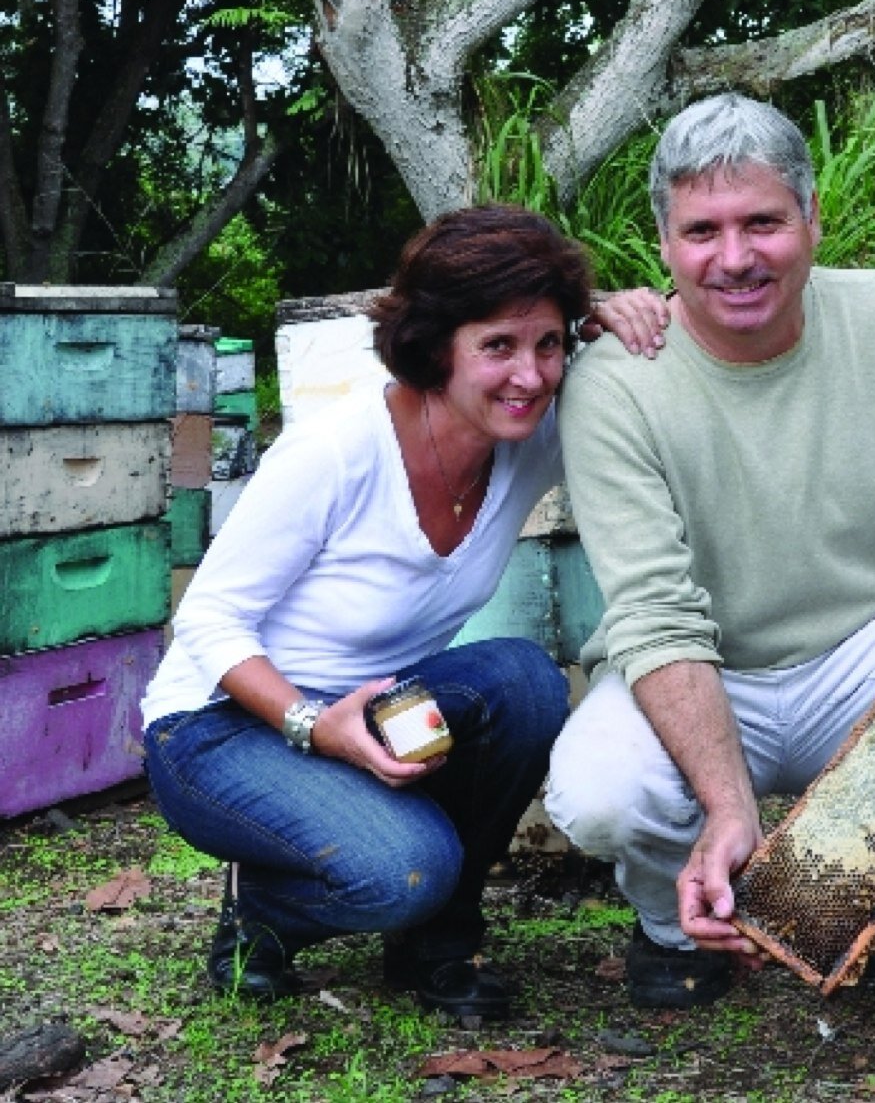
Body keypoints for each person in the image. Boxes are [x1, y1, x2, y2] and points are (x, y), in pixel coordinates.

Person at [544, 93, 875, 1039]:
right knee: (598, 793)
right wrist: (730, 804)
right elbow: (656, 614)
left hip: (853, 659)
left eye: (763, 223)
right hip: (699, 680)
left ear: (812, 219)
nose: (735, 257)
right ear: (663, 242)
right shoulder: (614, 381)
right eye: (703, 230)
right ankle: (680, 924)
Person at [141, 204, 668, 1018]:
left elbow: (658, 388)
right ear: (435, 348)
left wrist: (624, 316)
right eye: (498, 345)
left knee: (524, 680)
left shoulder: (528, 431)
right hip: (223, 728)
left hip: (377, 706)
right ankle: (262, 914)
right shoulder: (337, 450)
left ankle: (438, 940)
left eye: (548, 345)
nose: (530, 375)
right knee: (405, 870)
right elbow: (207, 621)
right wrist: (317, 724)